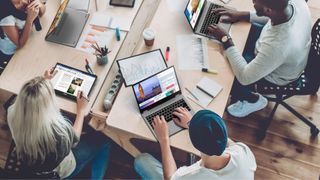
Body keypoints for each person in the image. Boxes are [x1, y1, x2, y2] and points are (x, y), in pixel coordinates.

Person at [206, 0, 311, 117]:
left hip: (277, 75)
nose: (252, 2)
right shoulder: (296, 3)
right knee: (239, 34)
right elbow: (271, 16)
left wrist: (225, 38)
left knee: (227, 74)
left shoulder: (278, 45)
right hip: (280, 52)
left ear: (268, 10)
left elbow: (245, 77)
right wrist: (241, 15)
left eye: (255, 2)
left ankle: (253, 100)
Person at [7, 68, 112, 179]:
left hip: (30, 163)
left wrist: (44, 81)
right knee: (104, 141)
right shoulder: (57, 131)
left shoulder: (12, 113)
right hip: (61, 171)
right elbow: (75, 139)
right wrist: (81, 110)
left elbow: (31, 100)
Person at [134, 108, 257, 179]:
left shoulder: (193, 176)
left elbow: (170, 177)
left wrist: (164, 139)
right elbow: (221, 138)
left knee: (141, 160)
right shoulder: (243, 151)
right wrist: (192, 124)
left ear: (195, 143)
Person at [0, 0, 46, 68]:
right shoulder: (5, 13)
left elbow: (41, 13)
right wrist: (30, 19)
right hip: (12, 52)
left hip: (29, 40)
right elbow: (20, 43)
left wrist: (40, 4)